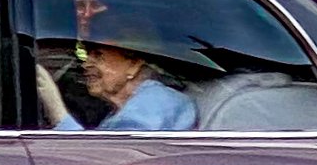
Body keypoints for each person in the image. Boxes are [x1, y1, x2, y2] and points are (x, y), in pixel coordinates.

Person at [33, 12, 199, 132]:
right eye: (86, 54)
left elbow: (104, 160)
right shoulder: (131, 107)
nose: (85, 64)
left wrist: (57, 111)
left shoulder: (152, 104)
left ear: (134, 64)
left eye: (98, 55)